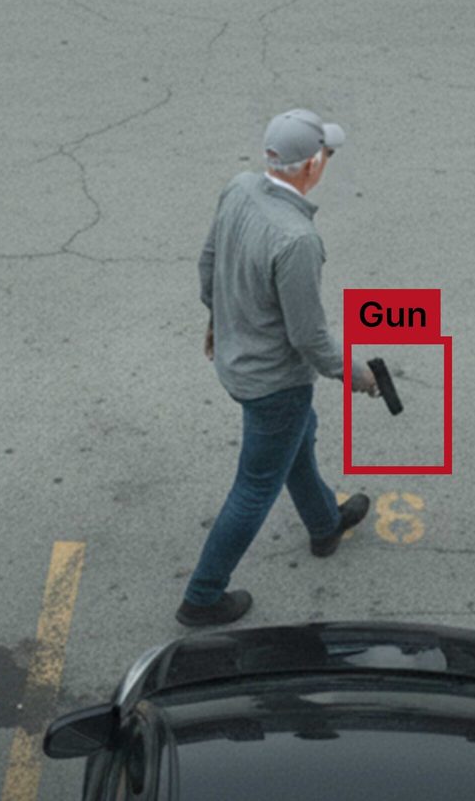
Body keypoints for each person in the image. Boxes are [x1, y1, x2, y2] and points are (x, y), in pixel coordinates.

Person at [179, 109, 379, 627]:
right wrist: (351, 373)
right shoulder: (297, 240)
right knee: (255, 485)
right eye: (326, 155)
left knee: (298, 438)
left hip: (237, 359)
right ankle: (202, 596)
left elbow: (208, 265)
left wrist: (216, 320)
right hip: (273, 382)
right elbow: (307, 336)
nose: (327, 162)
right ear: (311, 164)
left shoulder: (240, 188)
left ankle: (324, 523)